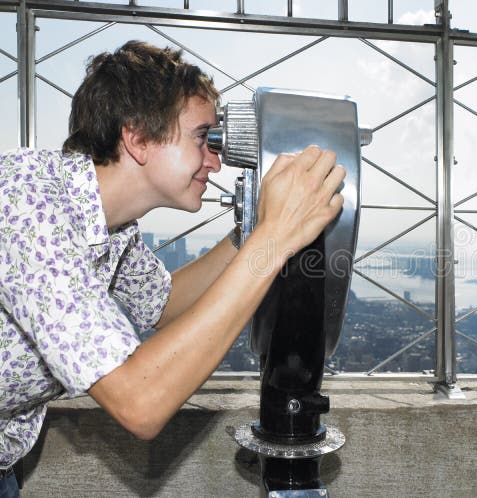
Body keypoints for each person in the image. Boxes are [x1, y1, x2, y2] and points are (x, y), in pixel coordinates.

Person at [0, 41, 345, 497]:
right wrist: (274, 238)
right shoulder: (26, 205)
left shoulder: (109, 223)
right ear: (138, 137)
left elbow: (164, 305)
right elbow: (140, 401)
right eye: (202, 137)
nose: (216, 161)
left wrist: (251, 230)